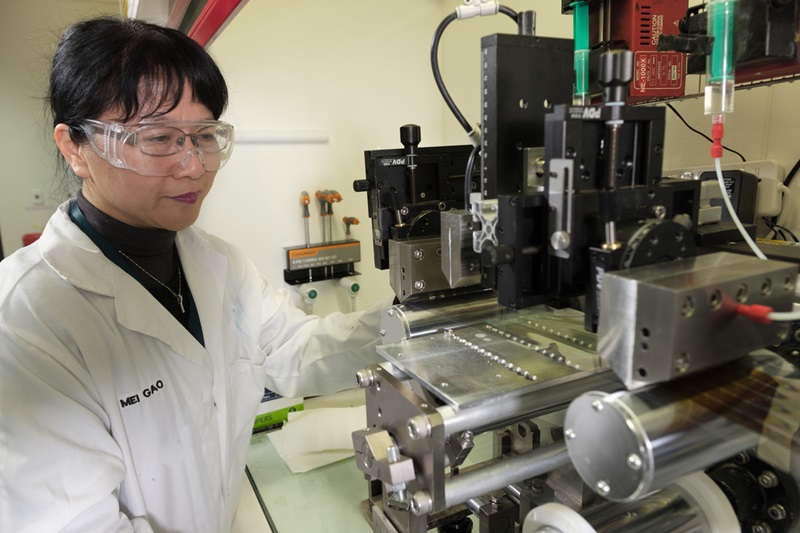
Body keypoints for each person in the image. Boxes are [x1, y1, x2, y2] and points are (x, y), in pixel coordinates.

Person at [0, 16, 384, 532]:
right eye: (159, 138)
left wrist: (414, 326)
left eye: (204, 136)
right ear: (75, 147)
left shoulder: (218, 264)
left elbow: (294, 350)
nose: (193, 165)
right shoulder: (24, 320)